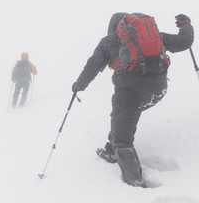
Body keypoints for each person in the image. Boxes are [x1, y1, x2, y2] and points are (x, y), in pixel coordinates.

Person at [72, 13, 194, 187]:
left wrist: (78, 86)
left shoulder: (109, 41)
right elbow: (185, 41)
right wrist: (185, 24)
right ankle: (111, 150)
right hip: (158, 90)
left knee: (123, 135)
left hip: (129, 91)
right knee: (123, 115)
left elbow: (91, 68)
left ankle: (135, 184)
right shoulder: (154, 37)